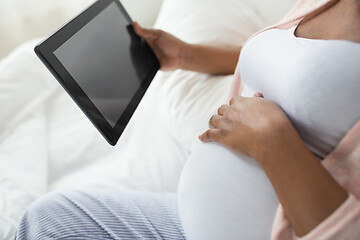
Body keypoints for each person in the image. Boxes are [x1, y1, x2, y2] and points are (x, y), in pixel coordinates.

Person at [15, 0, 360, 239]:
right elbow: (289, 66)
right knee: (47, 218)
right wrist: (186, 55)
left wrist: (271, 139)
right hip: (189, 217)